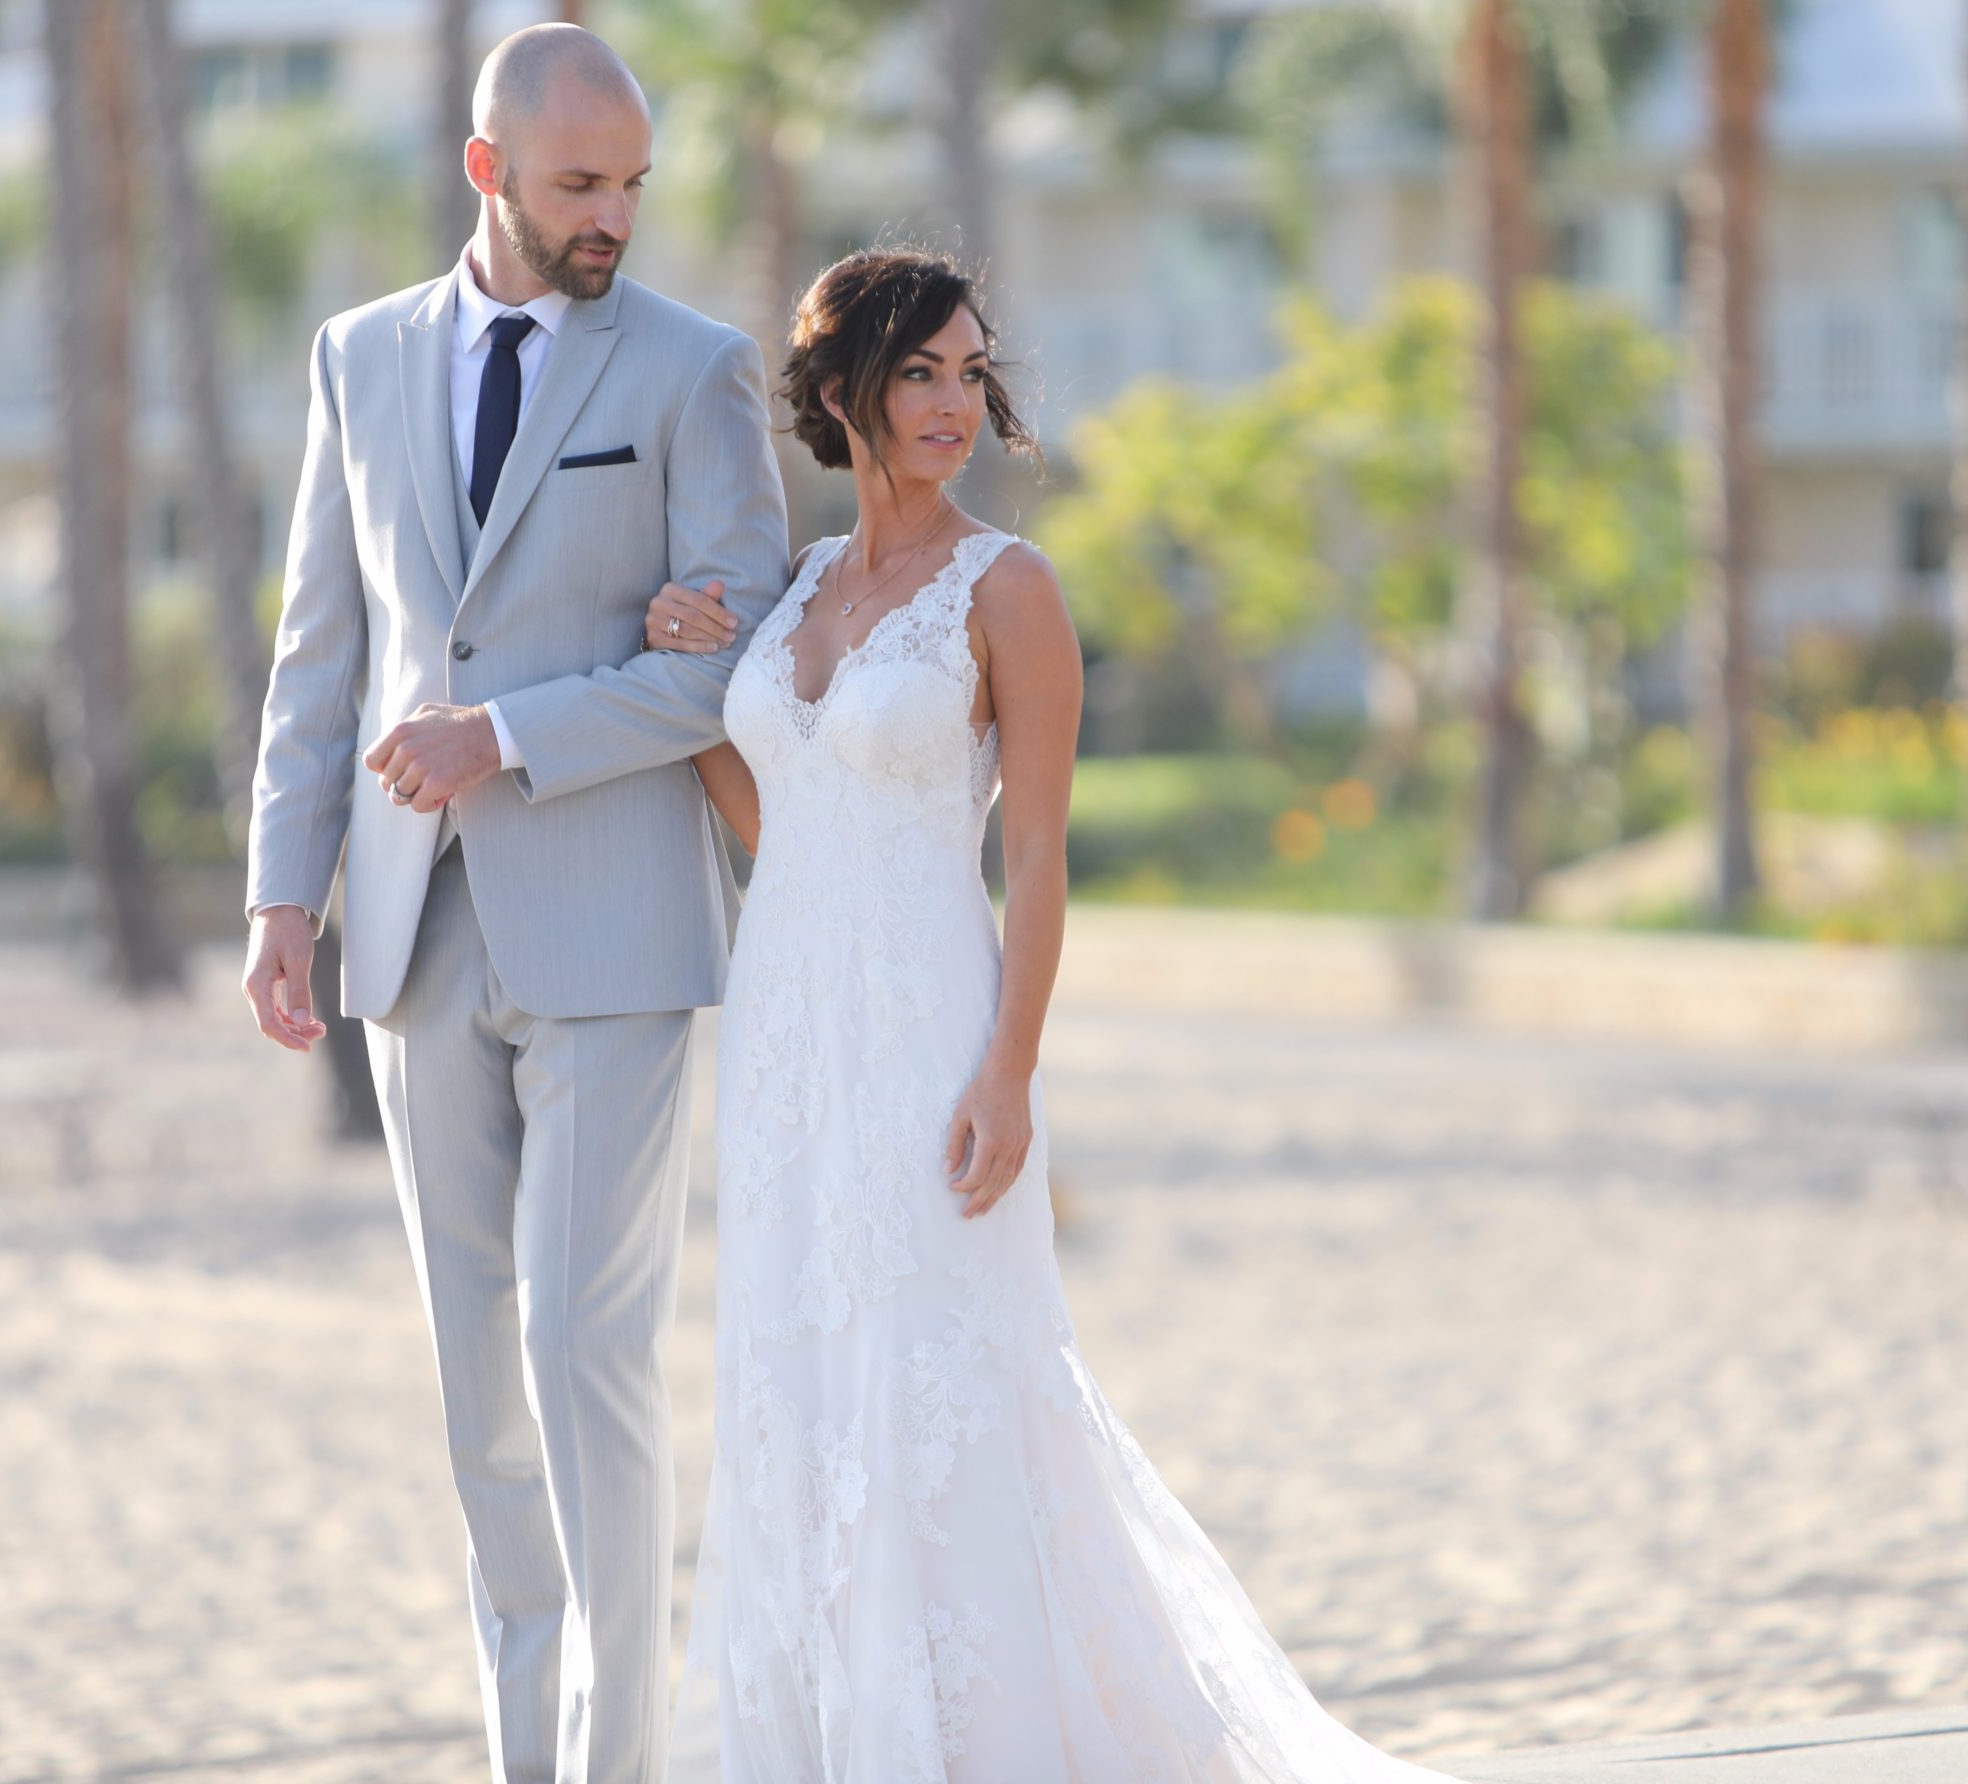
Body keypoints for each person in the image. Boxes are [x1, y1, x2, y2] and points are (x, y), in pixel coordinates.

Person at [641, 247, 1450, 1782]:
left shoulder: (1009, 589)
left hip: (936, 1037)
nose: (955, 403)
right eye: (919, 373)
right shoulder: (801, 586)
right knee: (803, 1382)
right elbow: (778, 821)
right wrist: (693, 688)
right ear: (839, 395)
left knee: (945, 1379)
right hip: (786, 1051)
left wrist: (1009, 1072)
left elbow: (1036, 856)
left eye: (969, 371)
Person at [238, 25, 786, 1784]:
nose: (613, 213)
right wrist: (280, 899)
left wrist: (513, 735)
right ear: (489, 171)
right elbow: (324, 648)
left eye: (631, 181)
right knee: (482, 1397)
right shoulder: (358, 356)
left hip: (619, 923)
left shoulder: (695, 371)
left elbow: (737, 664)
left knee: (584, 1354)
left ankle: (617, 1762)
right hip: (411, 931)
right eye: (578, 184)